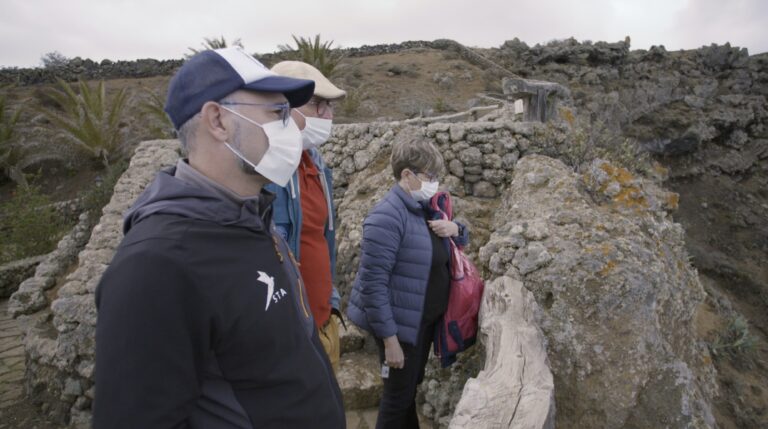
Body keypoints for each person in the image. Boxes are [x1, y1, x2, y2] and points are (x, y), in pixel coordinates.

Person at [94, 47, 345, 429]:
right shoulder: (155, 265)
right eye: (277, 114)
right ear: (218, 121)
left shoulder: (253, 218)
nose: (292, 127)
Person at [346, 138, 469, 429]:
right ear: (406, 175)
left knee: (407, 392)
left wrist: (456, 229)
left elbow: (458, 241)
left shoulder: (424, 206)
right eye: (429, 177)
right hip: (400, 330)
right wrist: (390, 341)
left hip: (421, 324)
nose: (435, 183)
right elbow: (373, 286)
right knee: (396, 398)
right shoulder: (386, 217)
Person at [266, 61, 346, 372]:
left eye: (329, 105)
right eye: (316, 103)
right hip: (291, 334)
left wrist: (332, 300)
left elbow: (322, 240)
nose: (327, 115)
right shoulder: (267, 172)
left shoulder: (315, 163)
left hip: (324, 321)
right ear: (282, 106)